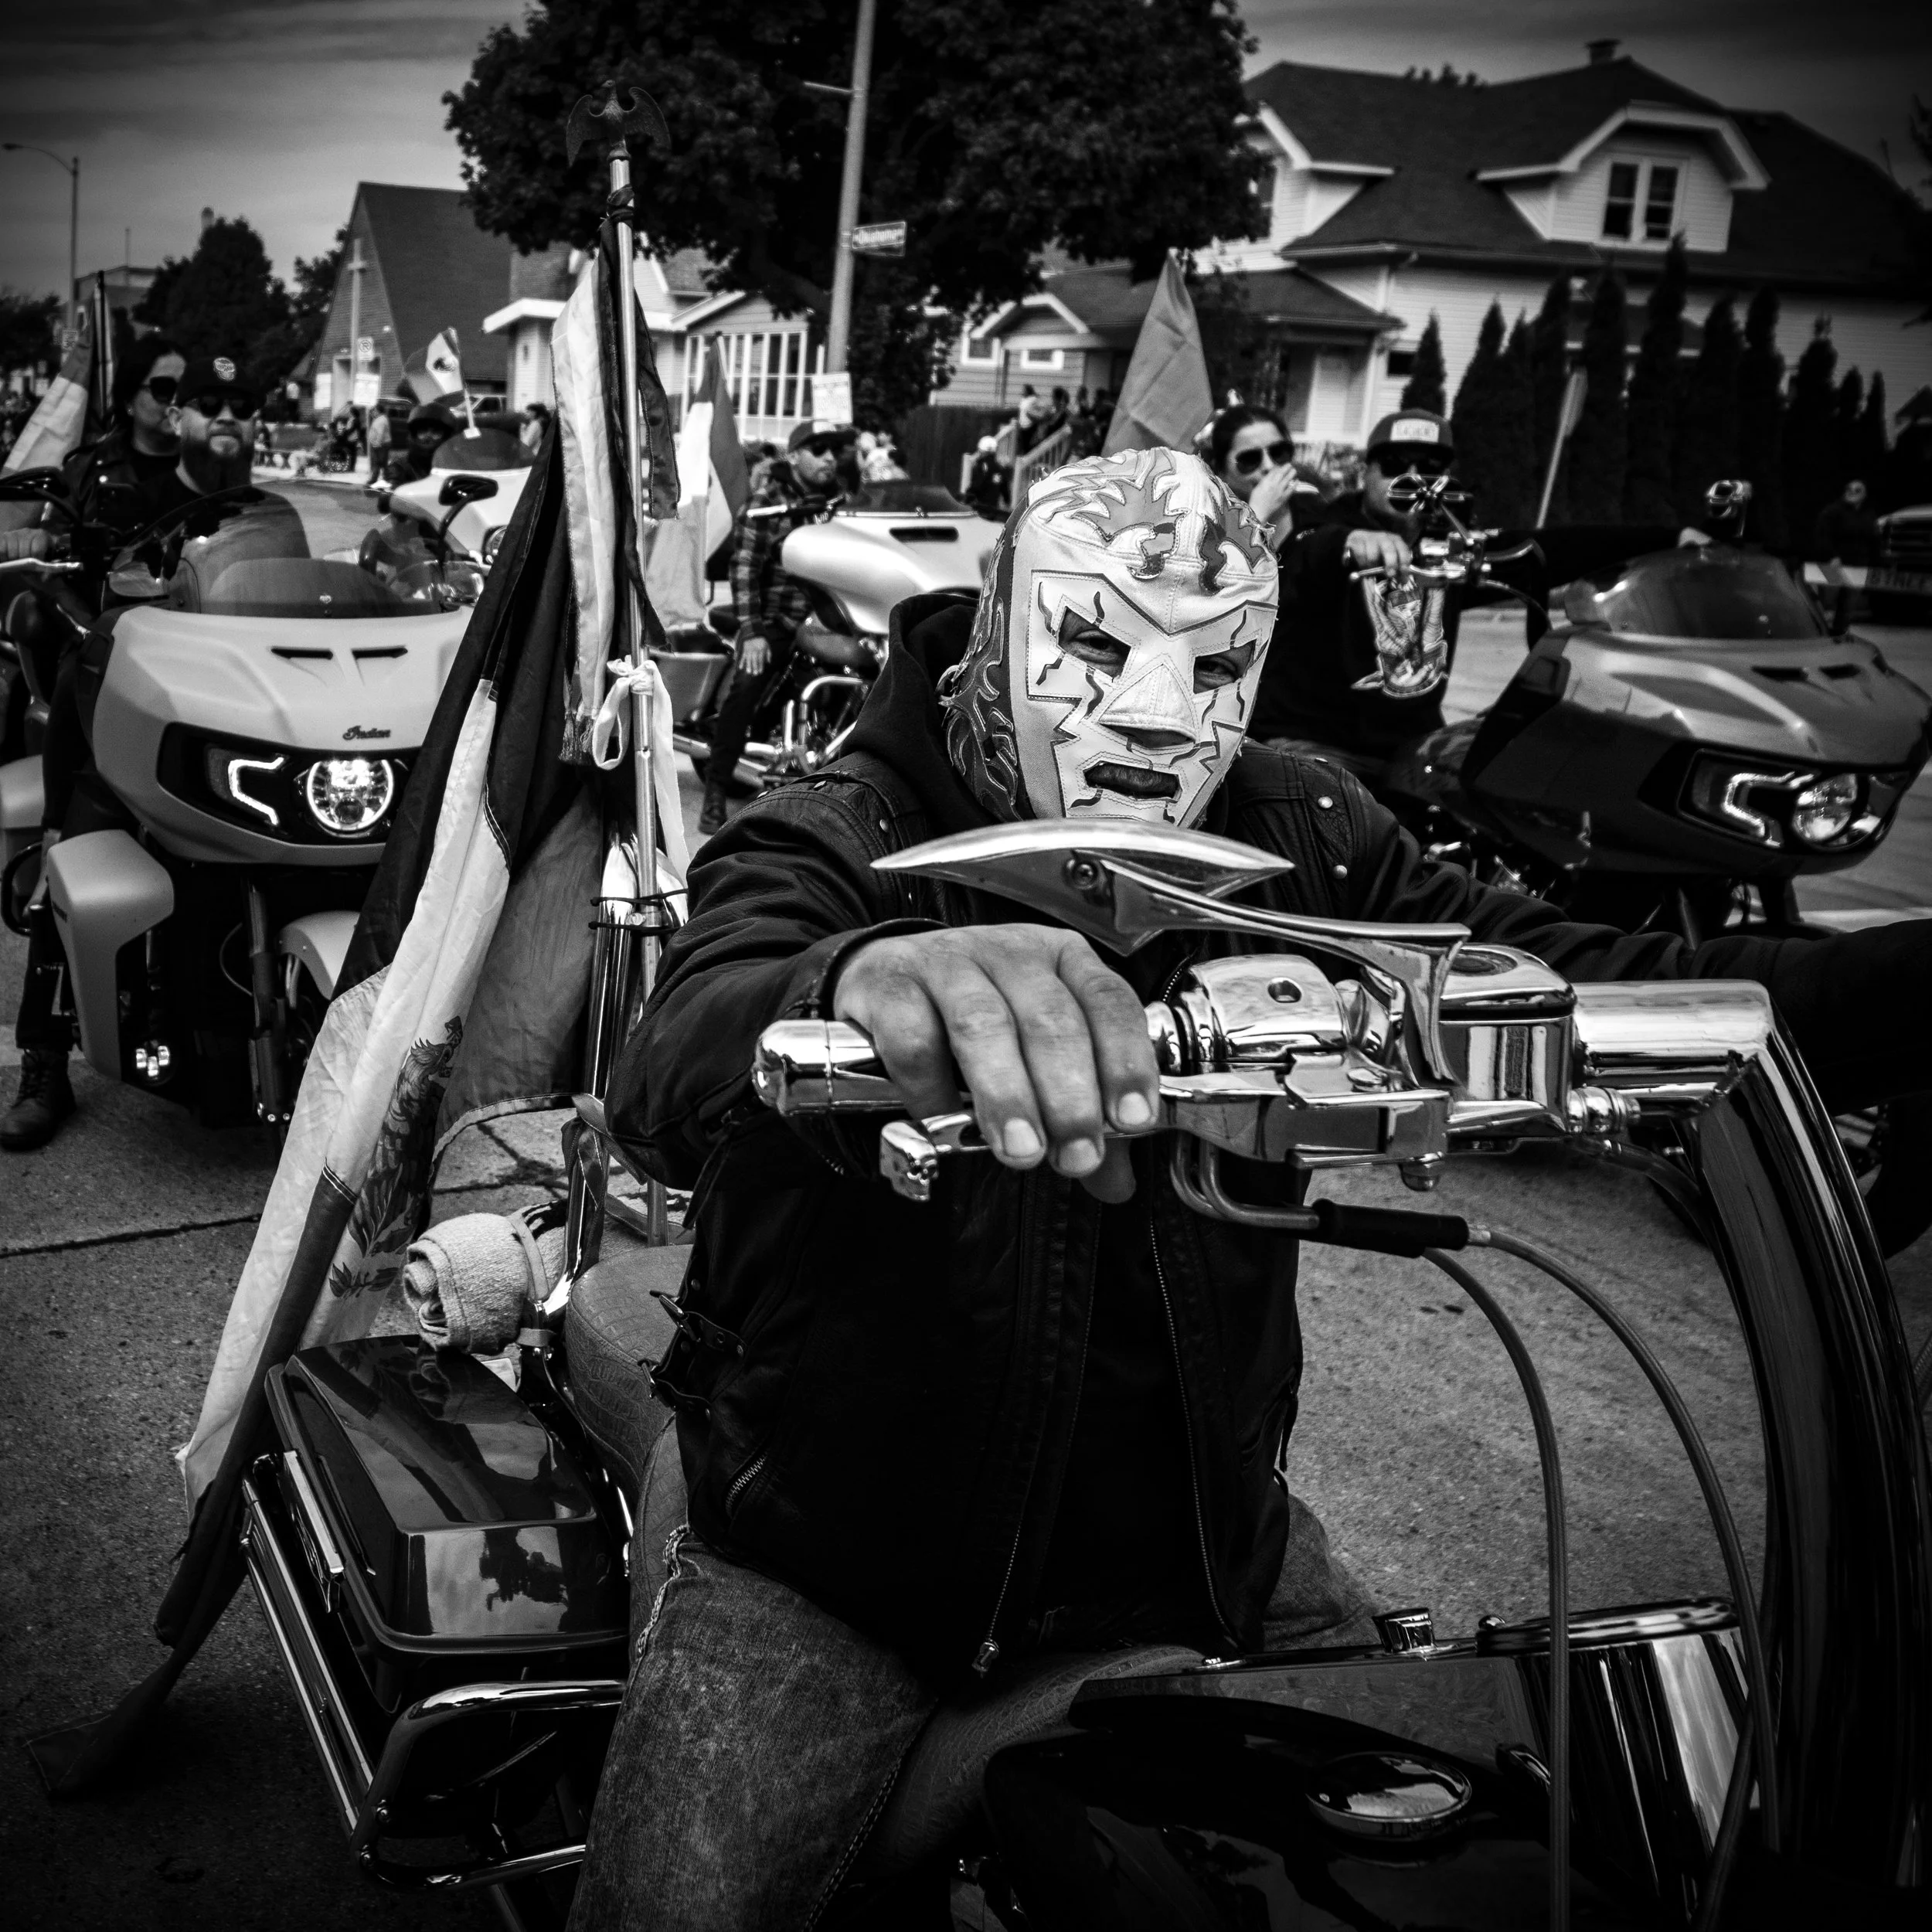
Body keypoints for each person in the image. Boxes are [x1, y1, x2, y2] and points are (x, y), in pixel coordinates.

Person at [574, 445, 1931, 1924]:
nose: (1157, 715)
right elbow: (677, 1056)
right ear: (1000, 627)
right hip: (836, 1560)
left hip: (1198, 1547)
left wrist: (1902, 977)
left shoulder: (1308, 833)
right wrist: (869, 977)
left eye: (1213, 662)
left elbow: (1578, 976)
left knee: (1440, 1835)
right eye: (1095, 645)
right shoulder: (841, 829)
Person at [2, 355, 261, 1152]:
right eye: (202, 401)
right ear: (176, 414)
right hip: (123, 708)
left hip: (226, 712)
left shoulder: (263, 512)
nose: (222, 413)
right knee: (79, 848)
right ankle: (45, 1060)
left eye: (238, 403)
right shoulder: (121, 493)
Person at [1253, 409, 1702, 787]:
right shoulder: (1329, 529)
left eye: (1428, 467)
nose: (1412, 478)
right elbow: (1308, 549)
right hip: (1315, 742)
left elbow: (1543, 547)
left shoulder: (1447, 547)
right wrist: (1352, 542)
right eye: (1394, 464)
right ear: (1365, 471)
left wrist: (1671, 537)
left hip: (1411, 745)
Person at [697, 417, 854, 835]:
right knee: (746, 685)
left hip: (829, 619)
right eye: (818, 450)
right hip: (778, 619)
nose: (829, 458)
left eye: (833, 451)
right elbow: (744, 568)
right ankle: (715, 791)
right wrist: (752, 631)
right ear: (795, 455)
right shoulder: (768, 502)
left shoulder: (839, 504)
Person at [0, 336, 189, 564]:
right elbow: (53, 546)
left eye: (187, 388)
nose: (178, 400)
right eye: (164, 389)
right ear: (128, 399)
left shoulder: (217, 462)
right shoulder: (84, 470)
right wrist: (39, 542)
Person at [1812, 477, 1880, 631]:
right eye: (1849, 489)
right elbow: (1822, 535)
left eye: (1857, 490)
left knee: (1848, 608)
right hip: (1835, 565)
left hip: (1858, 567)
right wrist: (1831, 556)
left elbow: (1874, 540)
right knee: (1827, 607)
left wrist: (1875, 562)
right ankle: (1821, 636)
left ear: (1865, 494)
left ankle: (1840, 635)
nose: (1852, 493)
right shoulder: (1832, 512)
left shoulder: (1868, 515)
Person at [382, 400, 459, 485]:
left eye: (436, 432)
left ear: (445, 437)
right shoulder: (400, 467)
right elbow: (391, 488)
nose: (428, 437)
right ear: (415, 435)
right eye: (423, 431)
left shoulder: (453, 465)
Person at [365, 402, 393, 482]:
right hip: (380, 444)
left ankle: (376, 479)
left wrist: (377, 443)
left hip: (381, 445)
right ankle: (386, 478)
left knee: (378, 462)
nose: (373, 412)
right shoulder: (379, 419)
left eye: (374, 411)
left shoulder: (381, 420)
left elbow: (381, 433)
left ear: (378, 411)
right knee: (382, 463)